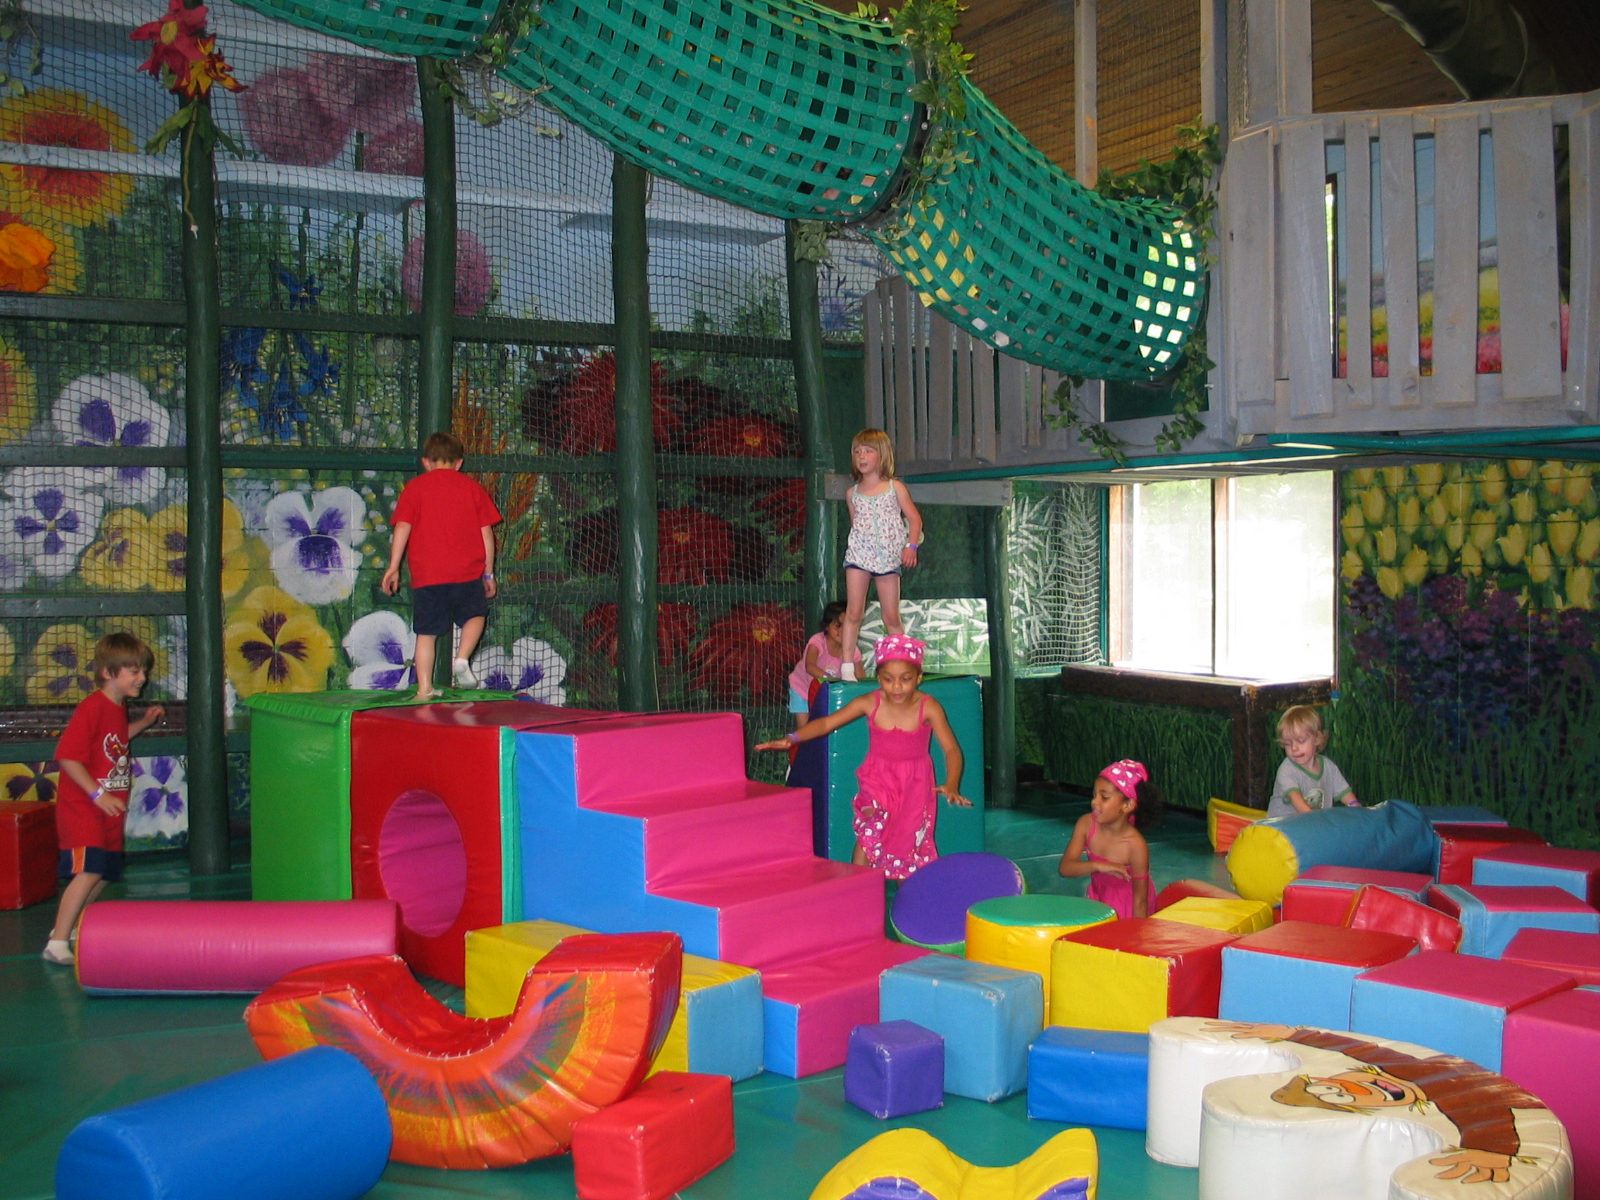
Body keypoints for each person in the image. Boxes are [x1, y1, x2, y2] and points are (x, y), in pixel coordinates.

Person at [757, 634, 967, 880]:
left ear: (919, 678)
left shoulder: (928, 707)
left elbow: (952, 749)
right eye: (888, 679)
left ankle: (906, 893)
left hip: (914, 784)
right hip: (877, 779)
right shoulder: (870, 702)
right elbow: (826, 723)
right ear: (878, 678)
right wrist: (793, 738)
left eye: (906, 679)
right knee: (870, 830)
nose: (896, 687)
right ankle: (859, 885)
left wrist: (952, 782)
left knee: (906, 840)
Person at [43, 632, 164, 965]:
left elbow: (114, 741)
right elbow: (68, 756)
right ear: (109, 673)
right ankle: (57, 941)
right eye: (134, 671)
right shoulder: (92, 708)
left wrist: (144, 722)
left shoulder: (116, 706)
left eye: (143, 671)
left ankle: (69, 927)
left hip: (108, 808)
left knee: (106, 871)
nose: (142, 677)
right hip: (83, 807)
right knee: (89, 870)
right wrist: (97, 794)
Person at [382, 431, 502, 700]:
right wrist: (488, 572)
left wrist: (393, 566)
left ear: (426, 462)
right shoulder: (472, 488)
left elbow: (402, 527)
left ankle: (424, 689)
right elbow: (487, 536)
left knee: (426, 633)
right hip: (466, 572)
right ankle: (462, 658)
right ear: (459, 463)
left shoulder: (415, 488)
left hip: (427, 575)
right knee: (475, 615)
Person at [838, 429, 923, 671]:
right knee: (854, 612)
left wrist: (911, 546)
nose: (861, 456)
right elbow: (856, 525)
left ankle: (903, 664)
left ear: (882, 455)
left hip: (888, 559)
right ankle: (846, 668)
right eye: (857, 452)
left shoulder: (895, 488)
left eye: (868, 451)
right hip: (859, 557)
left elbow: (914, 519)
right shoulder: (852, 493)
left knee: (891, 616)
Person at [1057, 759, 1162, 918]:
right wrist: (1098, 866)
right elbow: (1065, 868)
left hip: (1128, 907)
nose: (1094, 802)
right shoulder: (1086, 824)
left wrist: (1137, 931)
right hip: (1098, 898)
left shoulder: (1135, 846)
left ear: (1127, 805)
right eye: (1094, 795)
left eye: (1104, 797)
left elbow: (1140, 901)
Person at [1268, 704, 1359, 817]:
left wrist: (1355, 807)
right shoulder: (1287, 770)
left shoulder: (1328, 767)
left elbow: (1344, 792)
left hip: (1314, 823)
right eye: (1288, 743)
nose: (1294, 748)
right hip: (1282, 825)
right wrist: (1316, 820)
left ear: (1317, 739)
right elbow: (1296, 800)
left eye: (1301, 741)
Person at [788, 600, 848, 730]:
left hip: (825, 692)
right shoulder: (817, 641)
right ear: (826, 626)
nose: (842, 631)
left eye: (847, 626)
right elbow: (810, 666)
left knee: (826, 727)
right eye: (837, 625)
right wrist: (831, 679)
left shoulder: (851, 650)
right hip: (802, 688)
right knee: (804, 730)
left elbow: (860, 677)